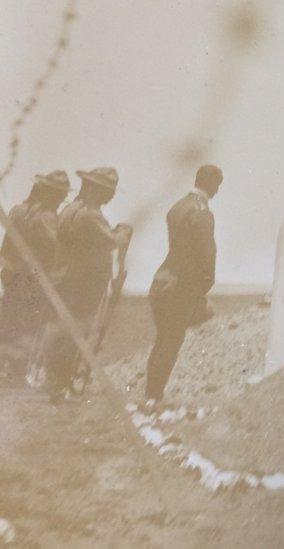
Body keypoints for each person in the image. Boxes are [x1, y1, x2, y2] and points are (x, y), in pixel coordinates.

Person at [42, 167, 131, 402]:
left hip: (63, 279)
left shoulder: (69, 210)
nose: (110, 196)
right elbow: (113, 241)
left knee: (63, 334)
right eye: (108, 191)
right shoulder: (91, 215)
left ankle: (56, 384)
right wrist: (124, 229)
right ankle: (62, 386)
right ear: (96, 189)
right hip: (82, 286)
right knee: (75, 335)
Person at [144, 165, 223, 407]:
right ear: (211, 184)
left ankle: (151, 395)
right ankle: (153, 398)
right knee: (171, 341)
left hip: (162, 279)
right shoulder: (202, 213)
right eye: (218, 185)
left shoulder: (177, 207)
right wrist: (204, 286)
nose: (218, 190)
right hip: (181, 287)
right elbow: (207, 255)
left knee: (163, 340)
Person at [0, 171, 70, 374]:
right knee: (28, 323)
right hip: (35, 279)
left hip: (11, 274)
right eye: (59, 196)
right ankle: (16, 370)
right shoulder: (48, 219)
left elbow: (6, 247)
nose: (60, 201)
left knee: (9, 318)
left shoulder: (17, 211)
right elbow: (58, 250)